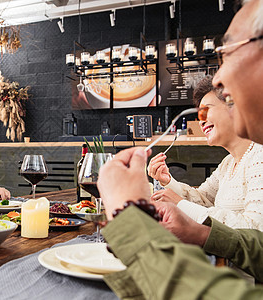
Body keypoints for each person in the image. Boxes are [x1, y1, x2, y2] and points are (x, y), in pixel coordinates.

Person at [98, 0, 263, 298]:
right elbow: (209, 200)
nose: (219, 79)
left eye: (228, 53)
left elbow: (253, 234)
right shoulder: (229, 163)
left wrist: (130, 218)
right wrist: (172, 189)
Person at [148, 76, 263, 229]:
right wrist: (169, 181)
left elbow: (255, 228)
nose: (200, 121)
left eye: (205, 111)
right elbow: (202, 201)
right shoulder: (228, 163)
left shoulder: (259, 155)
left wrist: (179, 203)